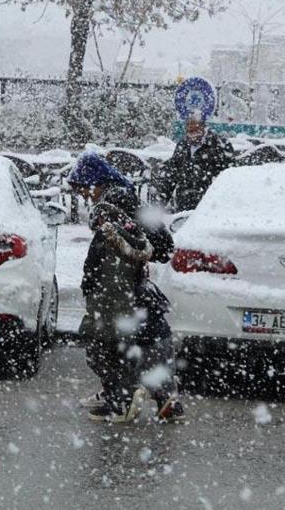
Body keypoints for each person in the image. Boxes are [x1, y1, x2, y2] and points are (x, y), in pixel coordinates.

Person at [68, 152, 184, 423]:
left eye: (86, 188)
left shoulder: (113, 203)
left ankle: (120, 399)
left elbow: (113, 250)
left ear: (97, 181)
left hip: (117, 289)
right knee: (152, 338)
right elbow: (162, 245)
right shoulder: (128, 198)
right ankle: (166, 397)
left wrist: (99, 281)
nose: (86, 195)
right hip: (138, 288)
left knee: (105, 343)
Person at [154, 115, 234, 211]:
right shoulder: (183, 145)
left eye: (195, 130)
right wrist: (159, 205)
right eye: (189, 131)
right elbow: (172, 173)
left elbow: (229, 175)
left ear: (203, 128)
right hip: (184, 202)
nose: (191, 135)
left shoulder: (218, 144)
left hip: (210, 204)